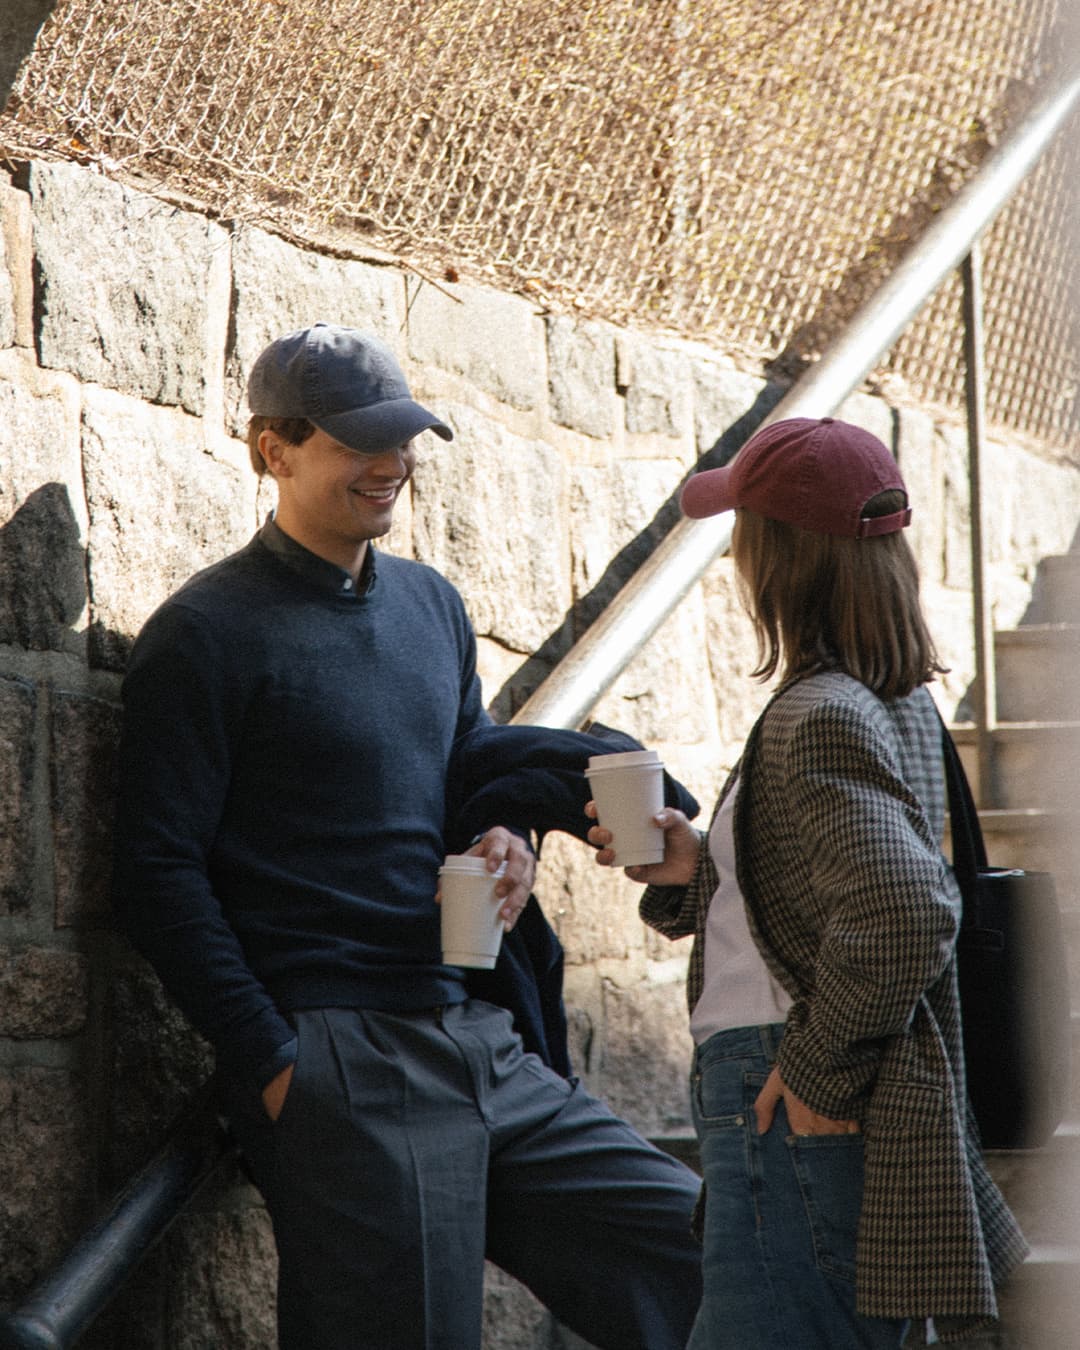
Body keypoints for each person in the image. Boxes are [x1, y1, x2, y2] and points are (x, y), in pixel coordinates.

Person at [111, 323, 704, 1350]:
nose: (391, 464)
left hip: (480, 1038)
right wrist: (277, 1063)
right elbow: (157, 874)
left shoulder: (434, 605)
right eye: (357, 442)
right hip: (344, 1063)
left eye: (404, 440)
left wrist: (510, 832)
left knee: (712, 1253)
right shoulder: (203, 636)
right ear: (273, 450)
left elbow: (471, 768)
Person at [587, 417, 1028, 1348]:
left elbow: (908, 909)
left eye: (746, 531)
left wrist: (816, 1069)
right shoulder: (893, 698)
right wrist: (699, 868)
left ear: (777, 557)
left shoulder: (816, 715)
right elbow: (840, 885)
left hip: (786, 1084)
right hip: (813, 1087)